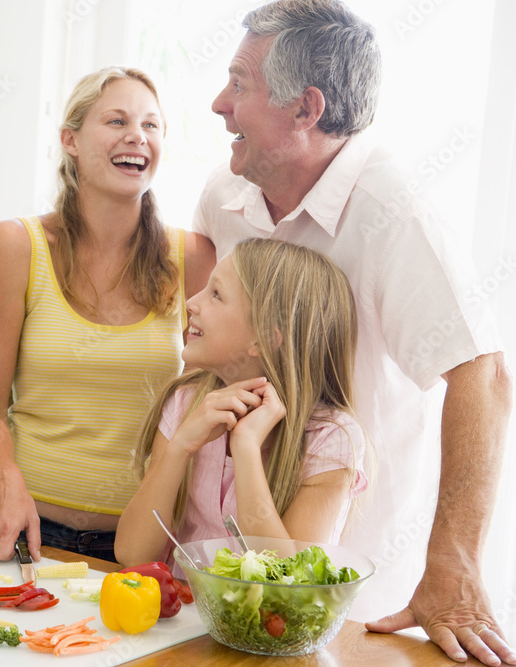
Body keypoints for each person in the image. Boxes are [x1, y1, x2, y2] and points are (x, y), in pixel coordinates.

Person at [195, 1, 513, 664]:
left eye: (240, 84)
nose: (220, 103)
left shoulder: (393, 213)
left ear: (305, 108)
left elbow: (481, 373)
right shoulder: (225, 190)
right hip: (225, 579)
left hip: (348, 593)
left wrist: (452, 561)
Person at [0, 66, 216, 564]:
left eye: (151, 125)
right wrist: (5, 481)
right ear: (70, 140)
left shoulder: (195, 258)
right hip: (27, 535)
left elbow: (202, 413)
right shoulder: (13, 247)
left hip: (144, 548)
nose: (137, 137)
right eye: (116, 121)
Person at [116, 239, 368, 567]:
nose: (192, 303)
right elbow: (133, 554)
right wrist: (180, 448)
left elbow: (289, 585)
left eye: (216, 294)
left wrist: (246, 448)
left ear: (264, 337)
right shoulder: (185, 403)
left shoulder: (332, 438)